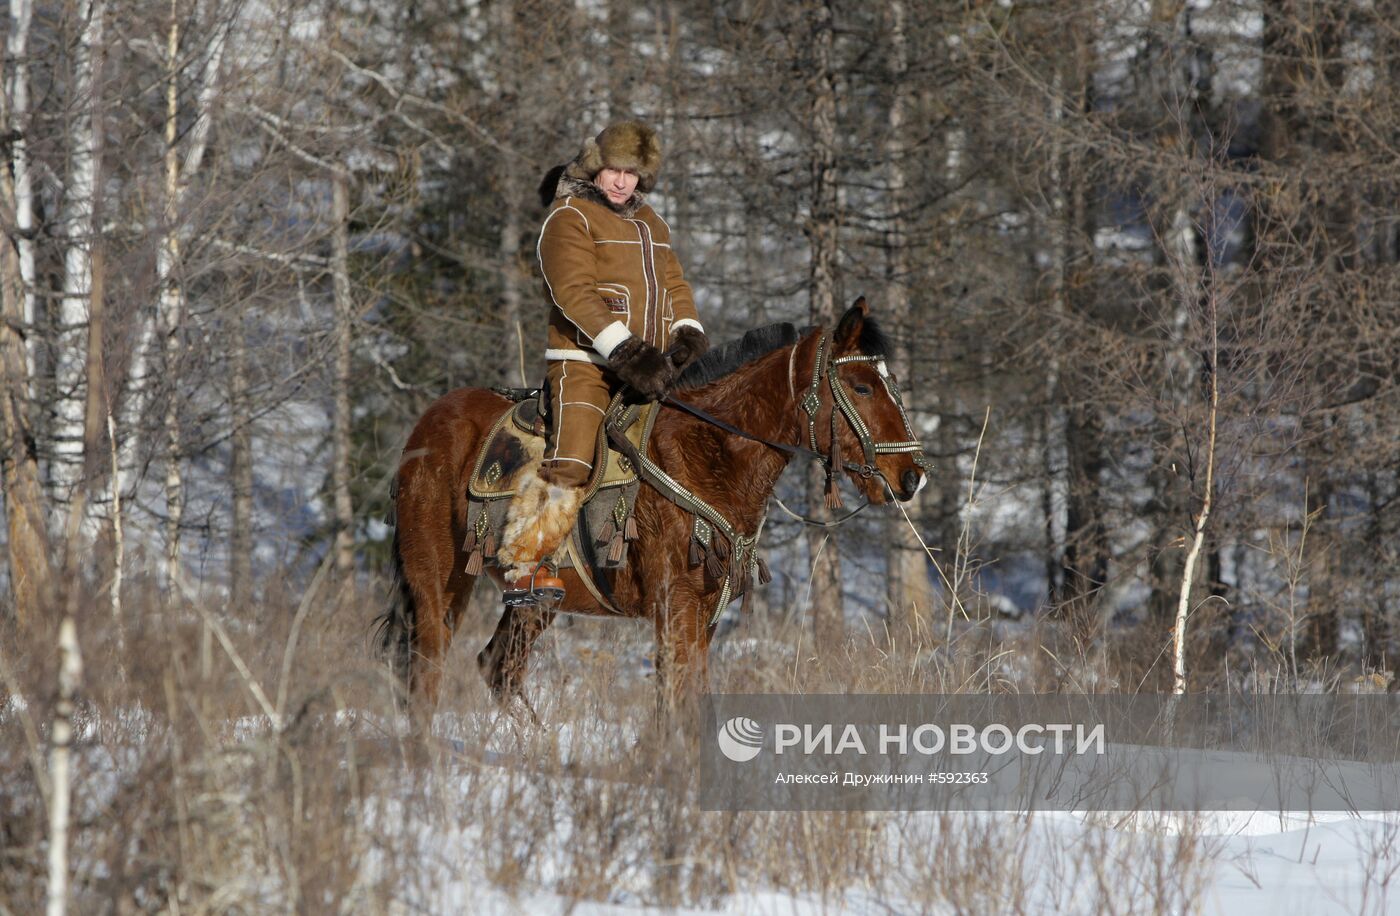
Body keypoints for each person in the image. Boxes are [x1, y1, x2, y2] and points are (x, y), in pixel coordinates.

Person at [497, 120, 708, 596]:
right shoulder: (569, 216)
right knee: (572, 457)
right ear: (596, 166)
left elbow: (674, 285)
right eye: (613, 169)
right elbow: (573, 292)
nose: (621, 182)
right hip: (584, 362)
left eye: (632, 174)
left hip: (651, 368)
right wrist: (626, 351)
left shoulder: (653, 224)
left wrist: (687, 334)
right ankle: (529, 561)